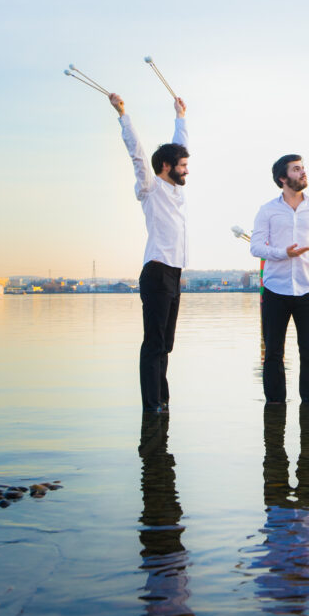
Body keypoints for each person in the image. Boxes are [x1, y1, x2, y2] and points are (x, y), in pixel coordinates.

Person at [109, 92, 189, 414]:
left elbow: (179, 146)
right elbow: (138, 155)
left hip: (174, 273)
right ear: (166, 167)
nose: (186, 171)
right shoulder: (151, 187)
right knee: (154, 343)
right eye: (182, 166)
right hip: (157, 272)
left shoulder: (175, 189)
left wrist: (180, 116)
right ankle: (151, 404)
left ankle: (162, 400)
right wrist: (123, 114)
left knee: (165, 344)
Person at [250, 155, 309, 405]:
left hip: (307, 288)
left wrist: (305, 259)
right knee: (273, 352)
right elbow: (256, 247)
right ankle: (274, 406)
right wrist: (284, 253)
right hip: (276, 289)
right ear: (283, 178)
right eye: (296, 169)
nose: (303, 172)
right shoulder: (267, 210)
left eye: (303, 168)